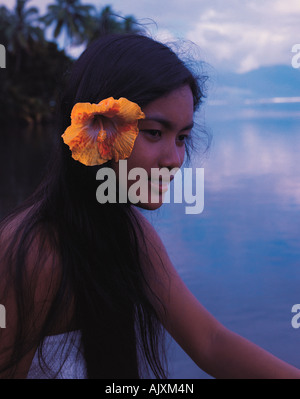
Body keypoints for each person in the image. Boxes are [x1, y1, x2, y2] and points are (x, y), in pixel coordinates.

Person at [0, 33, 299, 379]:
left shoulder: (124, 231)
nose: (174, 160)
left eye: (182, 138)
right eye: (155, 132)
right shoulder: (33, 257)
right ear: (98, 132)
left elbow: (210, 342)